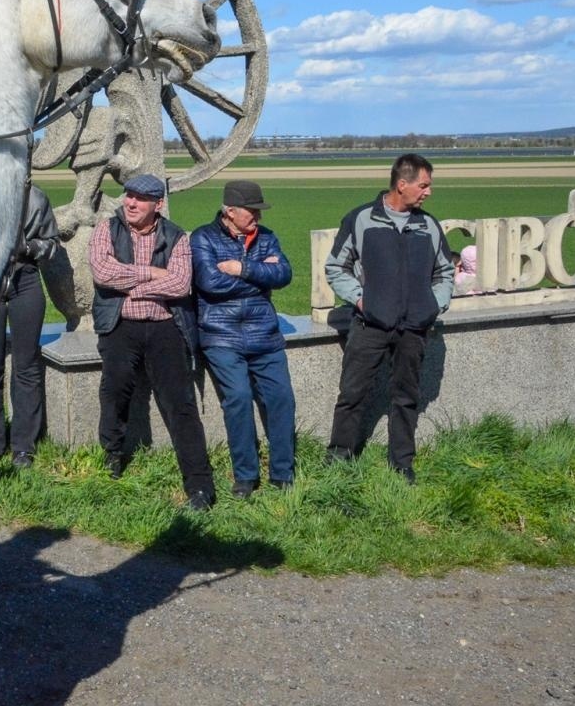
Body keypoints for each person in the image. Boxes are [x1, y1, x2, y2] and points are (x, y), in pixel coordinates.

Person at [324, 153, 455, 483]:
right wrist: (361, 300)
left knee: (406, 398)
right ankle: (339, 458)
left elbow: (444, 272)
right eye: (423, 185)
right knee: (352, 395)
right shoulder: (361, 219)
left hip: (413, 328)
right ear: (402, 184)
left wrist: (433, 306)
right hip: (370, 325)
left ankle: (402, 464)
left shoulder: (428, 225)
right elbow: (336, 267)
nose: (428, 192)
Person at [88, 173, 216, 510]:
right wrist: (152, 273)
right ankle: (112, 456)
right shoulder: (106, 230)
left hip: (165, 327)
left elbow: (180, 285)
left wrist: (132, 284)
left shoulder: (177, 237)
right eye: (128, 195)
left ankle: (200, 486)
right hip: (120, 325)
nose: (130, 203)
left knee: (180, 404)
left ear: (157, 204)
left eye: (140, 198)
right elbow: (103, 273)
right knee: (114, 391)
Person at [191, 180, 295, 498]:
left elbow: (285, 275)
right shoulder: (203, 238)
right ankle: (246, 476)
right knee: (237, 398)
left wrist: (242, 268)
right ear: (230, 211)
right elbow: (210, 283)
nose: (258, 217)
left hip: (265, 334)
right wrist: (262, 275)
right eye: (252, 211)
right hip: (221, 335)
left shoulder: (267, 237)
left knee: (281, 398)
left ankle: (283, 473)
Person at [0, 184, 58, 468]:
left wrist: (28, 247)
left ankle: (23, 446)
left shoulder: (36, 197)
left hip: (26, 278)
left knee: (26, 366)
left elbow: (52, 245)